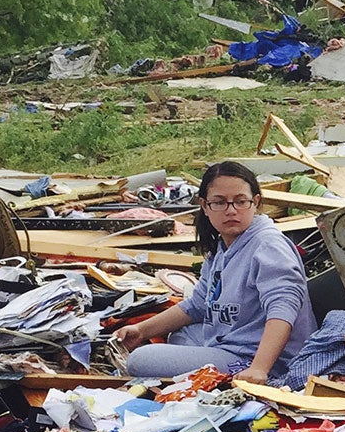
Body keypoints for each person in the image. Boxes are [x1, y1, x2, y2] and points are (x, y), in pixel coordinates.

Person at [115, 160, 318, 384]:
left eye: (240, 202)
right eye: (220, 203)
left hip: (263, 359)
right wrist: (141, 330)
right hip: (230, 342)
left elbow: (283, 309)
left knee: (140, 360)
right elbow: (196, 305)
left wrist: (259, 369)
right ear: (204, 206)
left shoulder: (268, 245)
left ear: (255, 202)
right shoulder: (223, 247)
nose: (231, 211)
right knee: (181, 334)